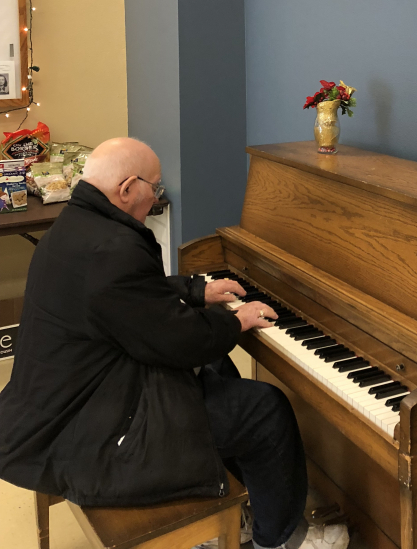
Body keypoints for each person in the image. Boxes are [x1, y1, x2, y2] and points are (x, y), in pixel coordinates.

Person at [0, 138, 348, 549]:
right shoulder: (114, 248)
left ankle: (239, 513)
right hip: (93, 430)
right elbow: (182, 341)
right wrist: (237, 319)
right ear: (127, 188)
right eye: (156, 187)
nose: (157, 196)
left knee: (220, 371)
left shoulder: (77, 225)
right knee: (266, 410)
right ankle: (279, 538)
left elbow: (123, 296)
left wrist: (195, 291)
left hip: (65, 400)